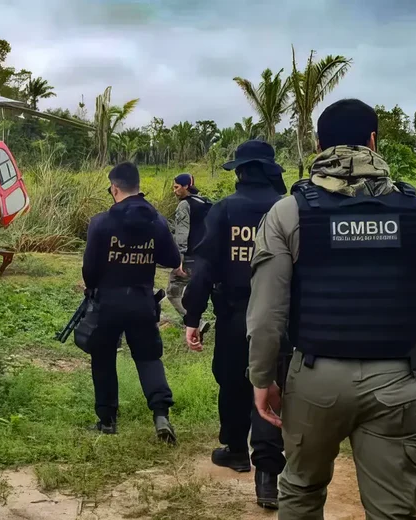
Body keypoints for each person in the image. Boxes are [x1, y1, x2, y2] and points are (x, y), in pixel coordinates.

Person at [247, 99, 416, 519]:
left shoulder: (289, 212)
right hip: (395, 379)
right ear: (373, 142)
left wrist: (261, 377)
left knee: (302, 491)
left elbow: (267, 314)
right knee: (394, 508)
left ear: (317, 144)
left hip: (314, 380)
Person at [181, 140, 289, 509]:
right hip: (281, 316)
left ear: (240, 171)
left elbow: (204, 269)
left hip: (233, 313)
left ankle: (236, 449)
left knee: (231, 380)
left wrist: (192, 316)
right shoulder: (287, 208)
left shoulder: (225, 209)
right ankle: (268, 475)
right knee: (270, 384)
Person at [80, 162, 181, 443]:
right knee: (149, 358)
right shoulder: (157, 221)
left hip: (108, 302)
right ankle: (161, 415)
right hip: (142, 302)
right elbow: (172, 259)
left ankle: (107, 421)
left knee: (103, 357)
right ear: (138, 186)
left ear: (114, 188)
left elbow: (89, 268)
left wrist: (94, 287)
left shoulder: (101, 222)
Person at [167, 173, 212, 338]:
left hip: (189, 257)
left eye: (176, 187)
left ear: (186, 186)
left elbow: (182, 233)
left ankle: (196, 322)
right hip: (206, 257)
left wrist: (178, 259)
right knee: (200, 291)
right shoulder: (205, 203)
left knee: (173, 292)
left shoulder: (184, 205)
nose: (174, 191)